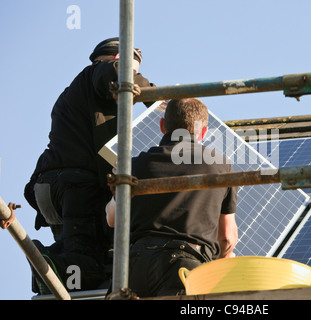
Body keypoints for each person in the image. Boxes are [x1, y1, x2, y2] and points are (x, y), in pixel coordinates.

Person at [23, 37, 155, 294]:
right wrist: (161, 101)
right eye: (134, 71)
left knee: (82, 252)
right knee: (84, 256)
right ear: (119, 61)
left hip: (52, 186)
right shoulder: (97, 75)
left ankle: (53, 266)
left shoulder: (81, 92)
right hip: (74, 184)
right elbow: (117, 75)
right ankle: (48, 267)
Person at [105, 98, 239, 298]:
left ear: (162, 126)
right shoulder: (220, 167)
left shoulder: (136, 165)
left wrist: (118, 178)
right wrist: (223, 259)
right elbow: (227, 235)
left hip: (133, 267)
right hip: (184, 267)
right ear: (203, 132)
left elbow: (112, 218)